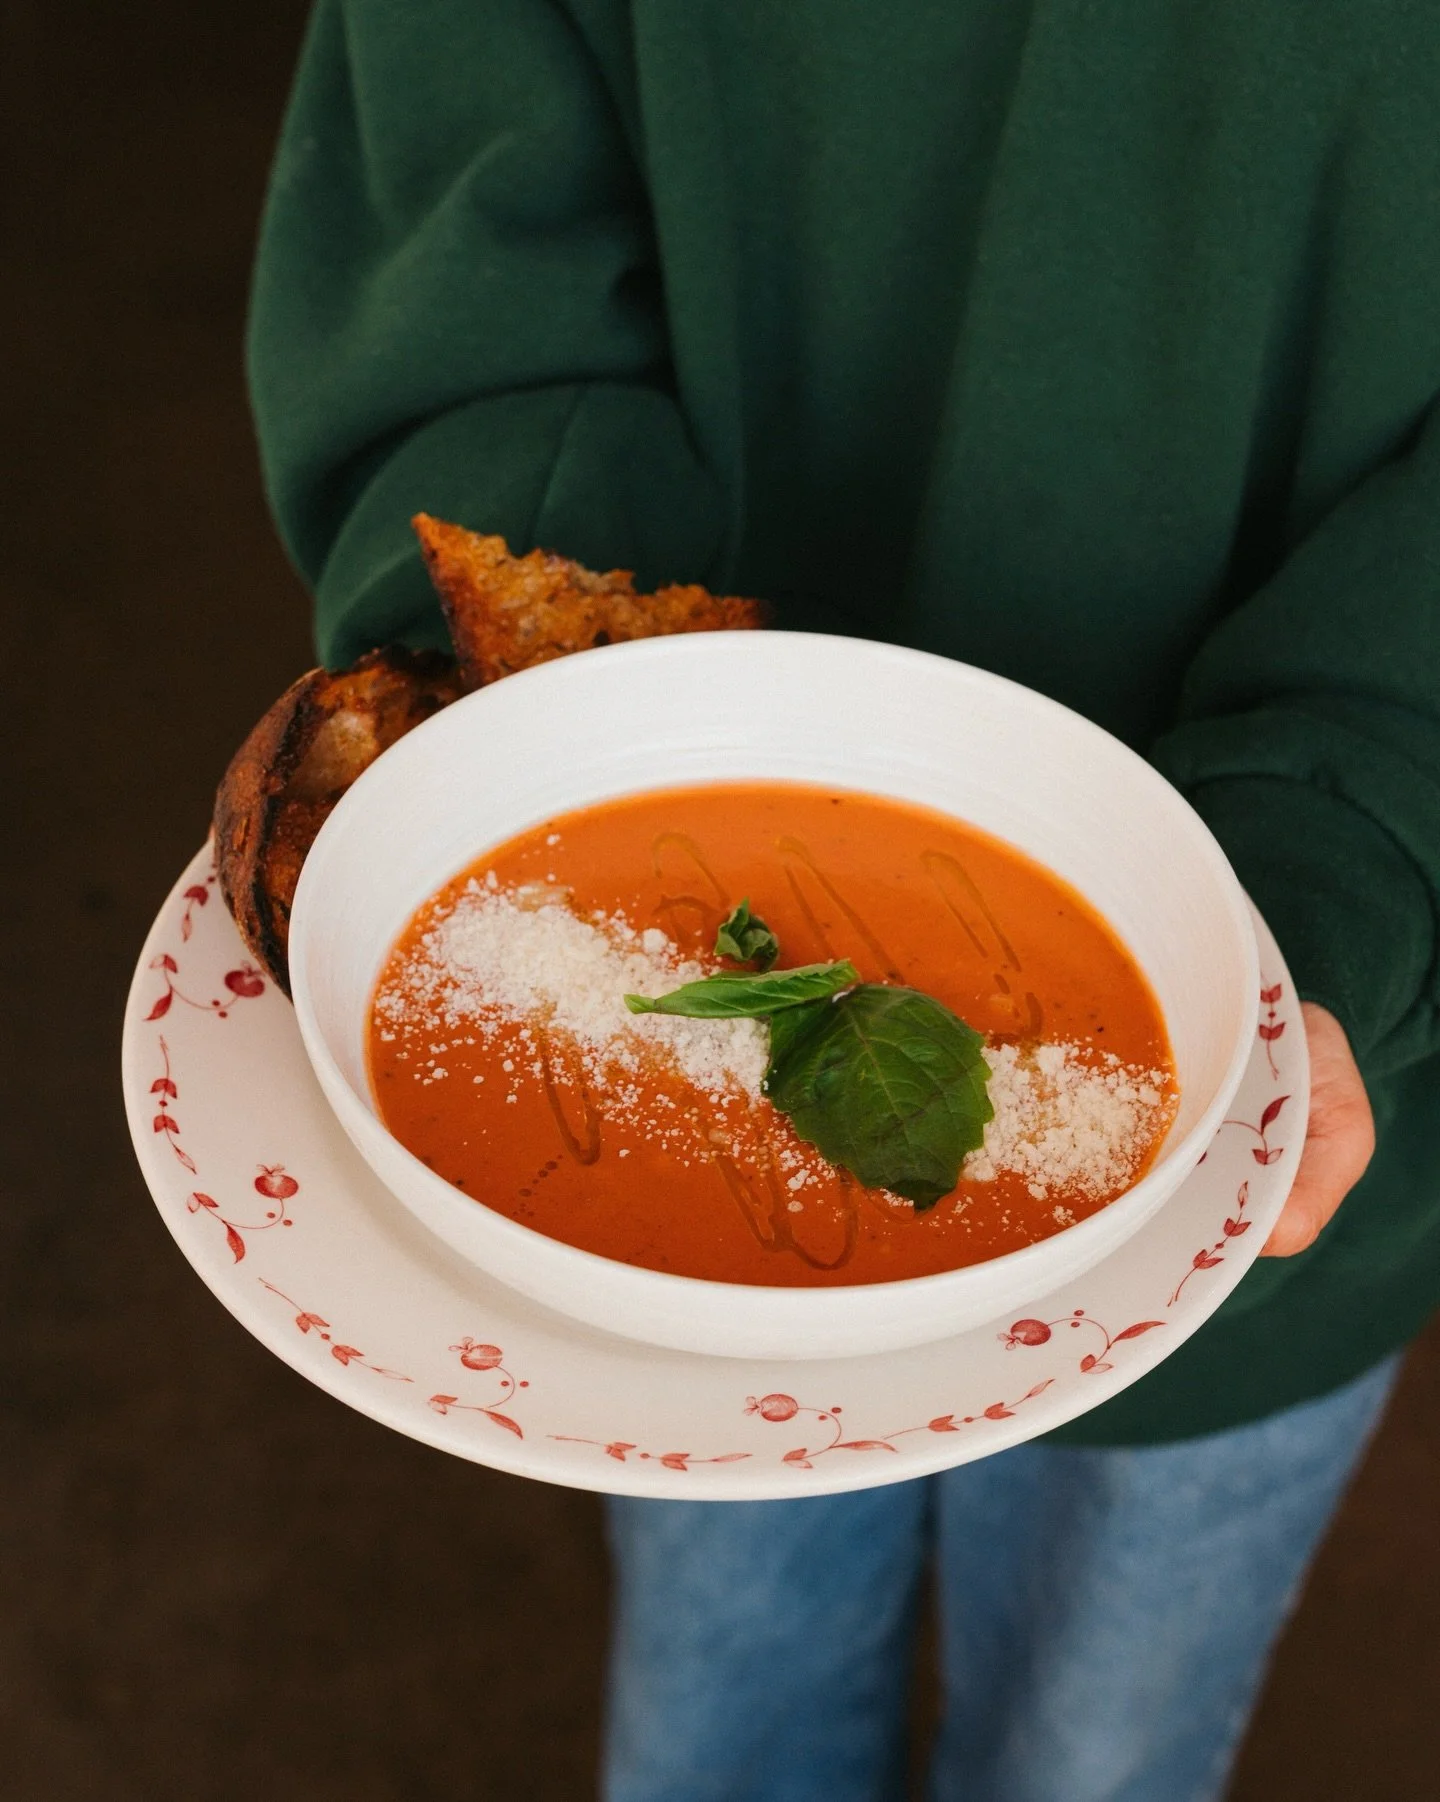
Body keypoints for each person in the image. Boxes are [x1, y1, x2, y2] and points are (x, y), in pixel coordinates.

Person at [245, 5, 1440, 1796]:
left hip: (1284, 1117)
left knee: (1097, 1759)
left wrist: (1344, 841)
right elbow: (460, 195)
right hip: (641, 1045)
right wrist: (566, 697)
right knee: (724, 1706)